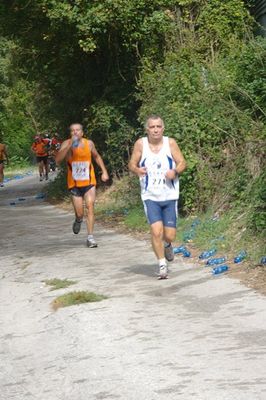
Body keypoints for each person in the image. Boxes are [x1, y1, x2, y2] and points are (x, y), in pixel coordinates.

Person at [128, 115, 187, 279]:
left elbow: (182, 162)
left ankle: (167, 245)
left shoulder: (171, 143)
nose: (155, 130)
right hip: (150, 196)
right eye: (152, 127)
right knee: (155, 231)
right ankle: (162, 264)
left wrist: (174, 171)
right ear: (147, 129)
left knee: (169, 235)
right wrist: (137, 170)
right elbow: (132, 163)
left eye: (158, 126)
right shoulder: (141, 144)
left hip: (169, 195)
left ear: (163, 128)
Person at [55, 123, 109, 248]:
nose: (75, 132)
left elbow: (97, 156)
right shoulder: (66, 144)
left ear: (82, 132)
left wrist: (104, 171)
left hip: (89, 182)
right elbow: (58, 160)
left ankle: (90, 238)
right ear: (70, 133)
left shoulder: (89, 143)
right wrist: (69, 146)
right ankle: (78, 220)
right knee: (80, 213)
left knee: (90, 206)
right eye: (72, 130)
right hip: (74, 183)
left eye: (78, 130)